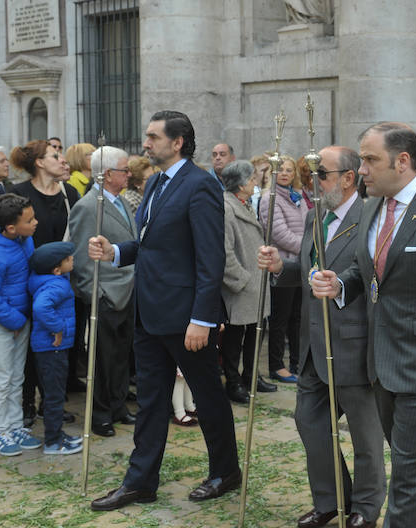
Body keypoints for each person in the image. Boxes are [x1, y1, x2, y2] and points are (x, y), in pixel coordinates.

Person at [310, 122, 416, 528]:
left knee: (406, 481)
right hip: (380, 365)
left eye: (370, 159)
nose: (362, 169)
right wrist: (339, 284)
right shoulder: (371, 207)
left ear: (402, 160)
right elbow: (365, 270)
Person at [88, 110, 240, 511]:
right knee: (152, 401)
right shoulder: (154, 183)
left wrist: (202, 319)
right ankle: (140, 482)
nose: (145, 144)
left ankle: (225, 472)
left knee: (207, 397)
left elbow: (210, 259)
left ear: (178, 142)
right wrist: (115, 251)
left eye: (153, 137)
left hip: (187, 317)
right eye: (146, 136)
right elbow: (150, 244)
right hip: (149, 311)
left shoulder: (201, 185)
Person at [260, 145, 387, 528]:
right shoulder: (317, 216)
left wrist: (342, 285)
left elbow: (374, 277)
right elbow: (313, 269)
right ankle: (331, 500)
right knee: (310, 423)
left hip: (355, 346)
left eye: (322, 175)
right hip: (314, 347)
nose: (312, 183)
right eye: (308, 176)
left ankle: (365, 508)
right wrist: (284, 265)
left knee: (366, 438)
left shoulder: (373, 218)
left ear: (349, 178)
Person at [68, 146, 137, 437]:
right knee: (103, 358)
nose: (129, 174)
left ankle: (118, 405)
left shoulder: (122, 202)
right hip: (106, 292)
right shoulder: (87, 207)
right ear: (108, 174)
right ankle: (100, 414)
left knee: (122, 355)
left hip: (129, 287)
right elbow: (82, 257)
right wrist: (95, 293)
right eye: (124, 170)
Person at [11, 140, 82, 422]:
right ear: (39, 162)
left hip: (61, 280)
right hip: (29, 280)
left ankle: (52, 403)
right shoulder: (18, 193)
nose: (62, 160)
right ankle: (28, 403)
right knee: (31, 343)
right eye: (55, 156)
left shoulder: (70, 193)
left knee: (60, 342)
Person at [0, 193, 42, 457]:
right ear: (11, 227)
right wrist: (14, 319)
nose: (36, 222)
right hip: (0, 326)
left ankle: (15, 426)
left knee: (17, 377)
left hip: (20, 320)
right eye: (30, 219)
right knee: (1, 379)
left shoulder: (24, 240)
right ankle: (0, 431)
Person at [220, 160, 276, 404]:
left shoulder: (244, 203)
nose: (255, 182)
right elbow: (224, 252)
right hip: (241, 286)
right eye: (252, 179)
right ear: (241, 184)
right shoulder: (226, 207)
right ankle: (233, 382)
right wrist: (242, 280)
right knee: (234, 338)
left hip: (256, 283)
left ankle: (252, 376)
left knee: (256, 332)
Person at [27, 242, 83, 455]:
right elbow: (41, 307)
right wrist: (58, 328)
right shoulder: (56, 286)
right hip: (53, 348)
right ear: (56, 269)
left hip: (49, 349)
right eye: (69, 259)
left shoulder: (49, 280)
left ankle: (57, 434)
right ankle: (52, 442)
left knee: (54, 393)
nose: (73, 261)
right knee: (55, 395)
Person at [259, 155, 307, 383]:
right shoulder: (270, 198)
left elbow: (310, 224)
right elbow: (279, 233)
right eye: (281, 170)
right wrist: (308, 248)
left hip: (301, 264)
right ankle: (277, 366)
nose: (286, 173)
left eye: (290, 169)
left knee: (298, 317)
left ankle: (297, 363)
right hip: (282, 265)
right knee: (280, 318)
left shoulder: (297, 197)